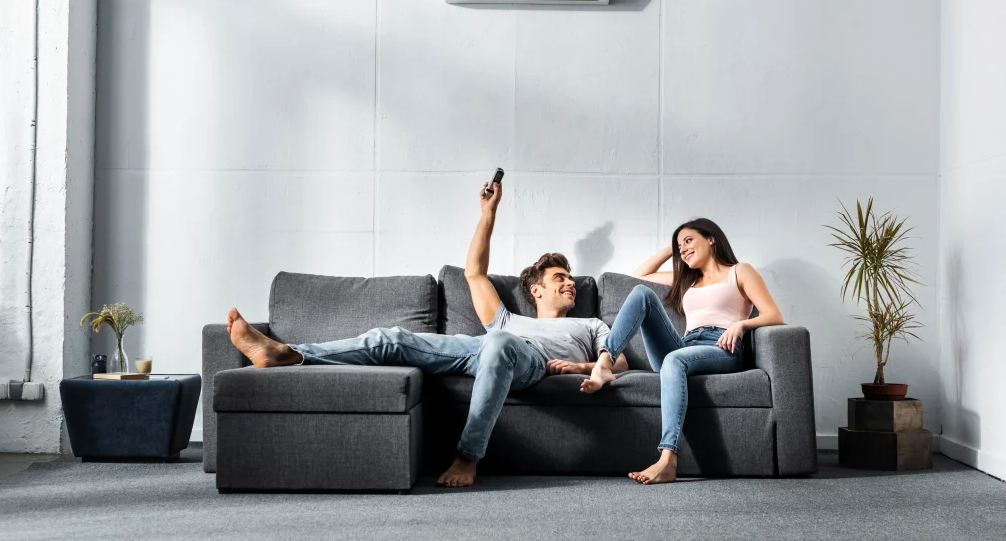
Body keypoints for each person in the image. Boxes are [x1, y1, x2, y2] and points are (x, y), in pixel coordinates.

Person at [224, 180, 628, 487]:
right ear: (536, 290)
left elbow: (621, 362)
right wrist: (489, 211)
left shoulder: (589, 324)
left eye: (573, 279)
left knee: (501, 345)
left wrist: (581, 365)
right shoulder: (506, 318)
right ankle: (289, 355)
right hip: (480, 347)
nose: (571, 283)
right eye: (561, 278)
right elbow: (474, 273)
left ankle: (469, 456)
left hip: (528, 360)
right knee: (393, 338)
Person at [578, 218, 784, 484]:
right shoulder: (688, 280)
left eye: (689, 241)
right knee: (641, 292)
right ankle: (604, 363)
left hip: (721, 346)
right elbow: (639, 276)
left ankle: (667, 459)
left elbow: (775, 315)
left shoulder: (739, 271)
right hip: (684, 346)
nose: (683, 249)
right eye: (679, 246)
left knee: (674, 361)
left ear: (711, 238)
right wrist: (674, 249)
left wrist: (742, 324)